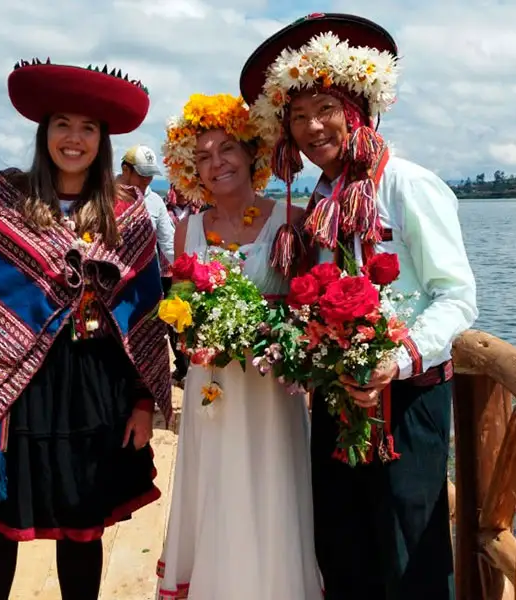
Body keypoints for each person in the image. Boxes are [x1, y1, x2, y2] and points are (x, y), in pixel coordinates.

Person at [0, 57, 172, 600]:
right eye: (62, 124)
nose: (73, 138)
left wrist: (144, 402)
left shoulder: (126, 215)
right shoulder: (6, 199)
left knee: (83, 528)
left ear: (102, 139)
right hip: (10, 391)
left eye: (87, 128)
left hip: (93, 389)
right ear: (44, 132)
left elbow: (146, 311)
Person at [240, 13, 478, 599]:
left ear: (356, 107)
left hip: (406, 398)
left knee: (407, 550)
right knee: (343, 546)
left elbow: (456, 298)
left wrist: (393, 359)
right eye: (296, 116)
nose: (311, 126)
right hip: (338, 396)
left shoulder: (409, 185)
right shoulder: (322, 194)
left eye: (324, 108)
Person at [154, 93, 323, 600]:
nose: (216, 163)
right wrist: (191, 332)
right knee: (216, 489)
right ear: (192, 170)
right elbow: (179, 306)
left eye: (226, 149)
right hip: (213, 386)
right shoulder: (187, 229)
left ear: (252, 153)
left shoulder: (290, 220)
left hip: (272, 388)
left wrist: (272, 331)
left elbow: (309, 307)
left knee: (272, 487)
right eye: (202, 156)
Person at [119, 144, 177, 269]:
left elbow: (169, 243)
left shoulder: (156, 202)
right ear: (125, 170)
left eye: (150, 175)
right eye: (142, 175)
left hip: (147, 274)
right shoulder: (105, 195)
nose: (146, 180)